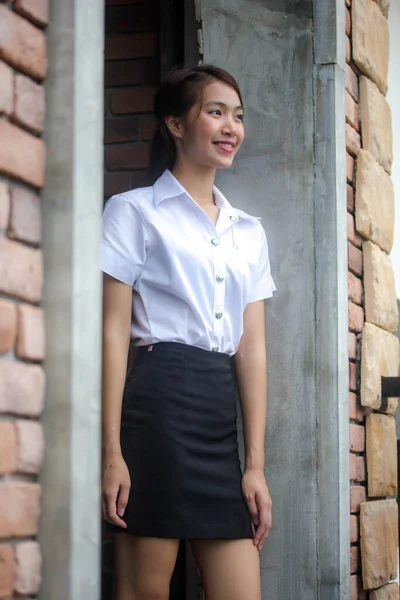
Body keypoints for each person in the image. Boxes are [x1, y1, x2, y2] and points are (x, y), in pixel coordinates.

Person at [101, 65, 276, 600]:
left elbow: (252, 349)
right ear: (175, 125)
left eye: (238, 116)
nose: (231, 128)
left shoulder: (249, 231)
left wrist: (256, 465)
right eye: (216, 112)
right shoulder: (134, 212)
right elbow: (111, 333)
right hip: (158, 405)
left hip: (218, 414)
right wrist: (112, 452)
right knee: (145, 592)